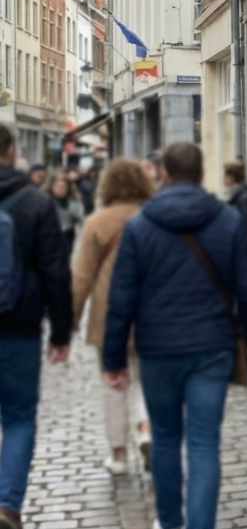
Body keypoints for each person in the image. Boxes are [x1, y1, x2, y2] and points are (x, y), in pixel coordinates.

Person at [102, 142, 247, 529]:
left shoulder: (140, 226)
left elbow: (121, 298)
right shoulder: (227, 221)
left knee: (166, 437)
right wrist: (243, 335)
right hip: (212, 346)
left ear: (165, 175)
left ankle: (171, 528)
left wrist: (114, 357)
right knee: (204, 443)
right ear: (201, 173)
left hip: (157, 349)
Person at [0, 123, 71, 529]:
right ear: (12, 151)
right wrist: (61, 332)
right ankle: (8, 506)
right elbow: (56, 273)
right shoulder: (36, 202)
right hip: (18, 328)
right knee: (19, 419)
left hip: (20, 326)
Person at [72, 158, 154, 475]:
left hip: (107, 315)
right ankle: (146, 429)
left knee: (113, 381)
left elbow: (82, 277)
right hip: (148, 312)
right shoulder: (151, 216)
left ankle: (119, 454)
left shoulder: (97, 222)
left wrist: (71, 319)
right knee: (146, 378)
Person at [47, 170, 84, 258]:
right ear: (51, 186)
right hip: (49, 236)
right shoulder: (46, 202)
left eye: (63, 185)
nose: (60, 187)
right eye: (57, 185)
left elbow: (80, 220)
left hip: (67, 236)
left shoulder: (73, 202)